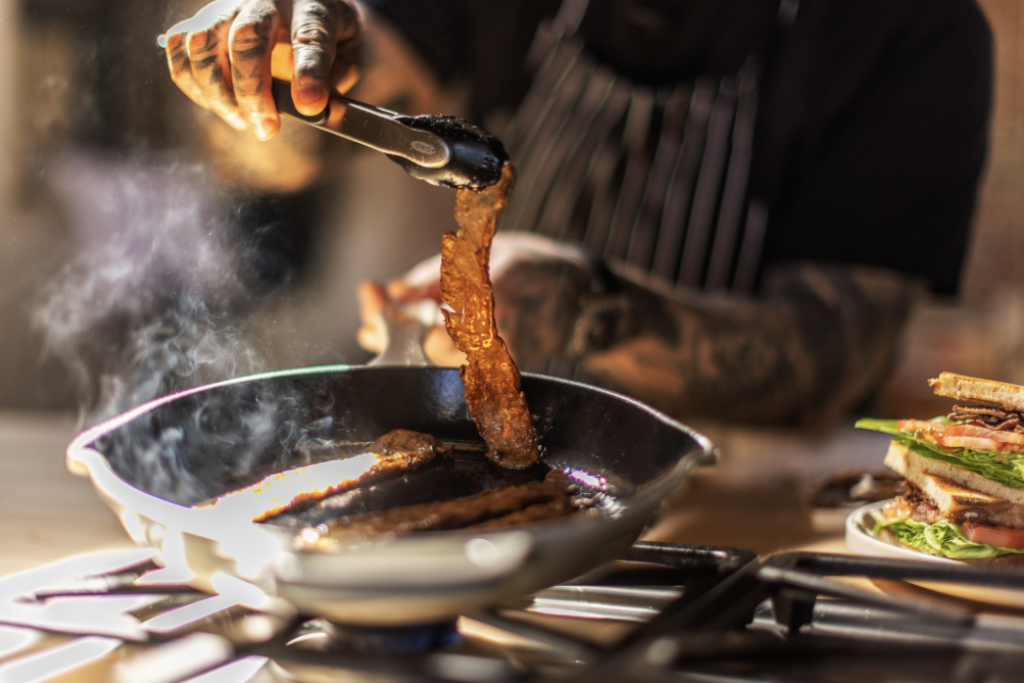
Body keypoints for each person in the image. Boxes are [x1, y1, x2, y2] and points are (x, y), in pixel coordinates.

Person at [161, 0, 993, 423]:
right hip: (508, 454)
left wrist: (590, 310)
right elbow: (309, 136)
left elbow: (834, 353)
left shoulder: (915, 30)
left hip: (747, 501)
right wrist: (259, 85)